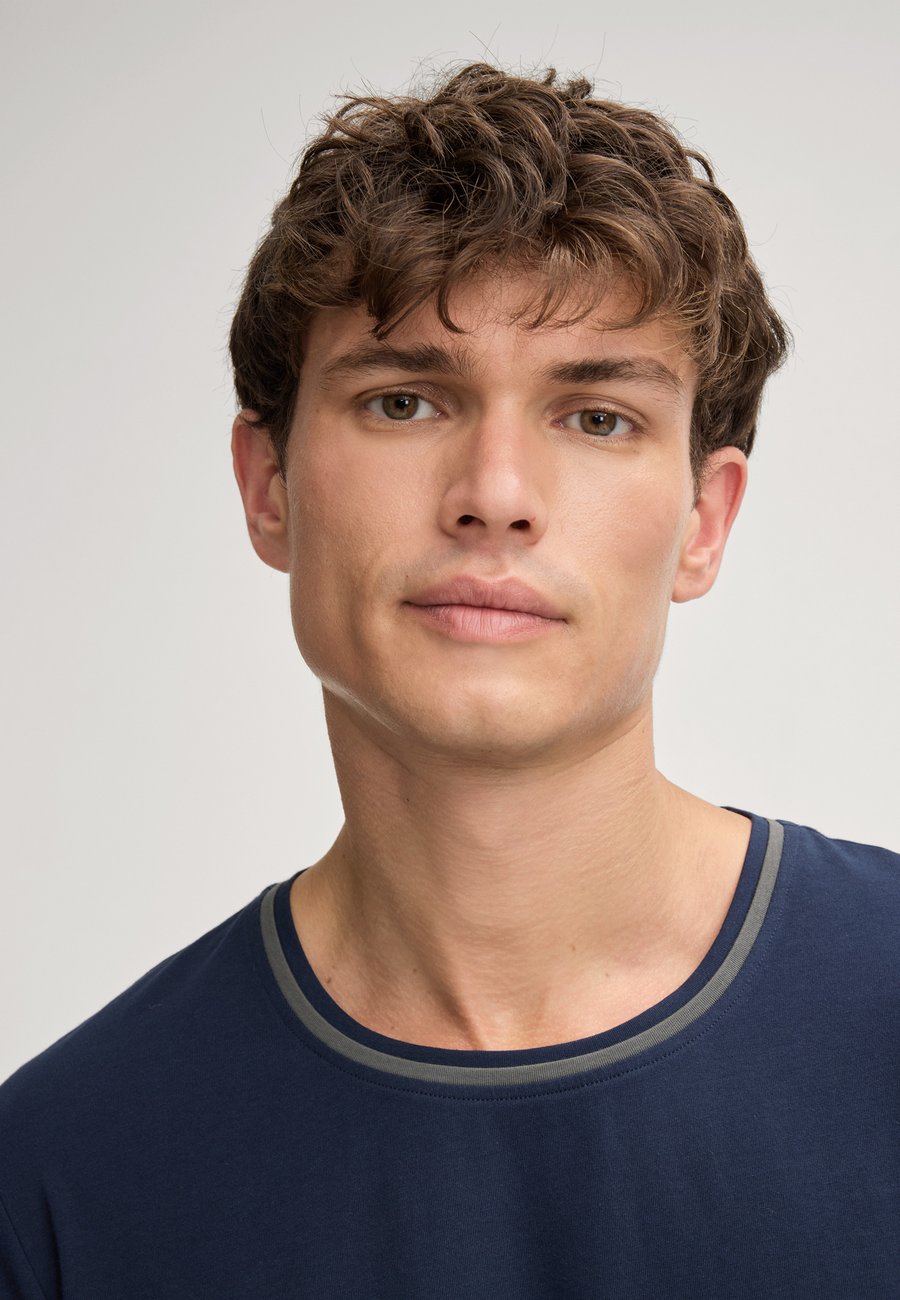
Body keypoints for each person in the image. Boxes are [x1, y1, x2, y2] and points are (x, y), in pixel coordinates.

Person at [1, 61, 897, 1299]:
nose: (496, 495)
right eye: (406, 401)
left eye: (596, 417)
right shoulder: (61, 1180)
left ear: (705, 520)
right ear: (269, 486)